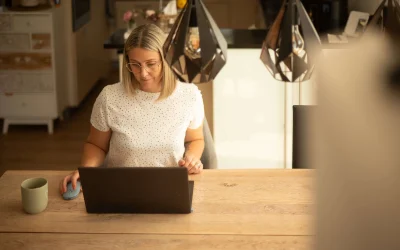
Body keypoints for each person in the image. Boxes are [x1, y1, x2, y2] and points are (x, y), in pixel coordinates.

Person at [59, 24, 205, 194]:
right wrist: (86, 171)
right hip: (121, 189)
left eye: (151, 64)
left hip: (169, 189)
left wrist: (192, 158)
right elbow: (96, 145)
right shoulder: (109, 97)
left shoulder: (189, 96)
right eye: (135, 64)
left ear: (165, 58)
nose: (143, 73)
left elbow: (196, 139)